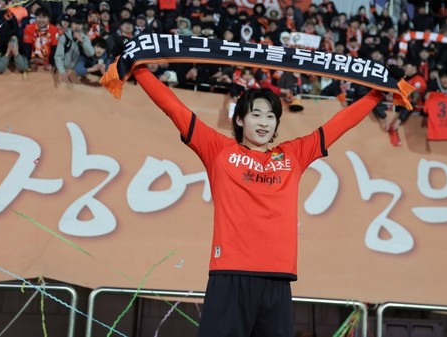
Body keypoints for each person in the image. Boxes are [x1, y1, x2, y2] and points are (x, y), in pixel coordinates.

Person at [130, 62, 402, 337]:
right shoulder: (218, 150)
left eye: (271, 116)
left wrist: (378, 93)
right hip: (229, 274)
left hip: (277, 279)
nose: (264, 122)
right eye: (256, 114)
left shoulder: (293, 155)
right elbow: (175, 109)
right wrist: (138, 70)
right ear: (239, 119)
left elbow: (339, 124)